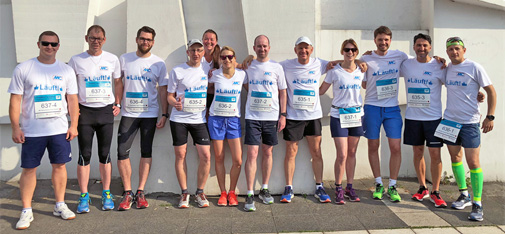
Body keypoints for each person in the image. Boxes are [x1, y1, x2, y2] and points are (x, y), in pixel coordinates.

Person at [9, 31, 78, 229]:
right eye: (46, 43)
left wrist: (73, 125)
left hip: (58, 129)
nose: (50, 47)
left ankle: (60, 204)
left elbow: (72, 99)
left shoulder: (66, 70)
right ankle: (26, 210)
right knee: (29, 169)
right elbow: (15, 100)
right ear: (38, 44)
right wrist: (16, 127)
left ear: (58, 46)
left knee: (60, 166)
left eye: (54, 44)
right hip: (32, 131)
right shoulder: (24, 68)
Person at [442, 37, 496, 221]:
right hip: (449, 121)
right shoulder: (446, 68)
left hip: (470, 123)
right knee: (455, 158)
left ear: (464, 50)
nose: (454, 52)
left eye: (457, 48)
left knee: (473, 163)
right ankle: (464, 194)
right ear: (447, 52)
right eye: (450, 49)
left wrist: (490, 116)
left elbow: (491, 91)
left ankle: (477, 203)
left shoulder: (475, 67)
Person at [68, 25, 121, 213]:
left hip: (106, 111)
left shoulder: (112, 59)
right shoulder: (76, 60)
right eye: (92, 38)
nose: (95, 41)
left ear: (104, 40)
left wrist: (118, 103)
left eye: (99, 38)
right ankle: (84, 195)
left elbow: (117, 82)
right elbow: (70, 86)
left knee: (105, 155)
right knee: (84, 155)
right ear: (86, 38)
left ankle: (106, 193)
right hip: (85, 113)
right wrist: (72, 110)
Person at [115, 26, 168, 211]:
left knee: (146, 151)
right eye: (142, 38)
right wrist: (117, 103)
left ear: (153, 42)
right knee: (122, 152)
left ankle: (140, 192)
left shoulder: (159, 64)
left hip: (149, 114)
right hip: (128, 114)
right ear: (137, 39)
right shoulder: (124, 59)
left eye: (149, 39)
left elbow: (162, 90)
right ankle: (127, 192)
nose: (145, 42)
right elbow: (118, 82)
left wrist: (164, 113)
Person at [279, 36, 331, 203]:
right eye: (300, 48)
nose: (303, 51)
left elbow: (338, 64)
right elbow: (267, 66)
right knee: (291, 152)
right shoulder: (286, 65)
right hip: (293, 117)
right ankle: (288, 188)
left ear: (311, 49)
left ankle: (319, 187)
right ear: (295, 50)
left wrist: (360, 62)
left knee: (316, 152)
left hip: (313, 116)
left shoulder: (319, 63)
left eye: (306, 48)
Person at [360, 26, 409, 202]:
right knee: (373, 146)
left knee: (395, 147)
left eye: (386, 39)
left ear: (390, 40)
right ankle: (379, 183)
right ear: (375, 40)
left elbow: (420, 61)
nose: (383, 43)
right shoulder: (365, 58)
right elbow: (363, 83)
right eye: (380, 39)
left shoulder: (400, 56)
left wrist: (437, 58)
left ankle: (393, 185)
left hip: (392, 109)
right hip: (372, 107)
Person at [400, 33, 447, 208]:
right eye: (419, 45)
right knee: (417, 152)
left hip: (433, 118)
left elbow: (454, 85)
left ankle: (436, 191)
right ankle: (422, 188)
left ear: (430, 47)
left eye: (425, 45)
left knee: (435, 155)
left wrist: (477, 95)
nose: (422, 48)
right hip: (413, 117)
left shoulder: (439, 65)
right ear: (414, 47)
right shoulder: (406, 64)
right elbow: (383, 66)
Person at [243, 35, 287, 211]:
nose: (262, 49)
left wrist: (283, 115)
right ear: (254, 48)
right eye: (259, 46)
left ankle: (264, 189)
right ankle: (249, 193)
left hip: (271, 117)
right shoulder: (248, 65)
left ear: (269, 47)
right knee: (252, 154)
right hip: (252, 117)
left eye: (265, 46)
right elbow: (242, 81)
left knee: (267, 152)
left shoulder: (277, 67)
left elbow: (282, 92)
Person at [167, 39, 212, 208]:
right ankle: (184, 193)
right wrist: (174, 103)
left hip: (199, 120)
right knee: (181, 155)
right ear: (188, 52)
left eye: (199, 50)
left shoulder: (207, 69)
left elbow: (230, 63)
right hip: (179, 119)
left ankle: (200, 192)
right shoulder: (178, 70)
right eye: (192, 50)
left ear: (203, 52)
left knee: (206, 156)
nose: (195, 53)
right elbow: (169, 95)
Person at [319, 39, 364, 204]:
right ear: (342, 51)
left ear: (356, 52)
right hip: (339, 115)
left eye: (353, 50)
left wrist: (362, 63)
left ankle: (349, 187)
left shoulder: (361, 70)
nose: (350, 52)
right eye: (347, 49)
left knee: (352, 153)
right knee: (342, 154)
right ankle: (338, 187)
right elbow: (321, 90)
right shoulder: (334, 71)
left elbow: (368, 85)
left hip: (356, 115)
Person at [208, 46, 246, 206]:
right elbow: (206, 89)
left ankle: (232, 192)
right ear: (219, 60)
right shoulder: (214, 75)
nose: (227, 60)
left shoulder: (242, 74)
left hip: (233, 120)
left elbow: (250, 68)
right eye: (223, 57)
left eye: (230, 57)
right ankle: (223, 192)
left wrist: (249, 57)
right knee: (219, 157)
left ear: (234, 58)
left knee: (237, 160)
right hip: (216, 119)